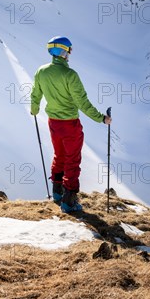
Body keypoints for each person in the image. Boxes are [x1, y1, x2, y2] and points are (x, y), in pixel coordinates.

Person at [30, 36, 112, 212]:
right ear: (63, 51)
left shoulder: (41, 71)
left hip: (53, 123)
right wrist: (101, 118)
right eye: (69, 50)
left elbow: (35, 94)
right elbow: (83, 103)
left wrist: (34, 109)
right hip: (70, 125)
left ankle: (57, 193)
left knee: (58, 156)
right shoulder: (70, 75)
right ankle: (69, 202)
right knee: (72, 161)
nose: (70, 53)